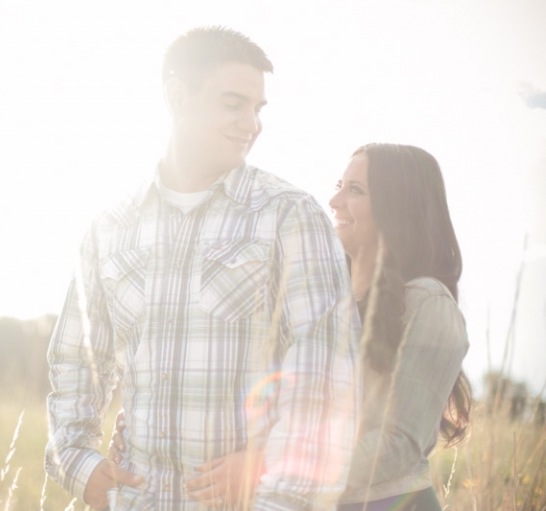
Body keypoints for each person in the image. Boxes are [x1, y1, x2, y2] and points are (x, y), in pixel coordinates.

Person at [45, 26, 361, 510]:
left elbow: (327, 378)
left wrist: (275, 486)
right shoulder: (109, 227)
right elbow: (75, 361)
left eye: (258, 110)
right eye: (234, 104)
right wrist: (77, 463)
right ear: (177, 96)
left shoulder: (289, 216)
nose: (251, 124)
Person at [110, 143, 471, 510]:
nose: (334, 201)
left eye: (355, 190)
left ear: (399, 209)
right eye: (339, 185)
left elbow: (398, 445)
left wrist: (267, 466)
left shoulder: (428, 305)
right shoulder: (314, 296)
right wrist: (145, 425)